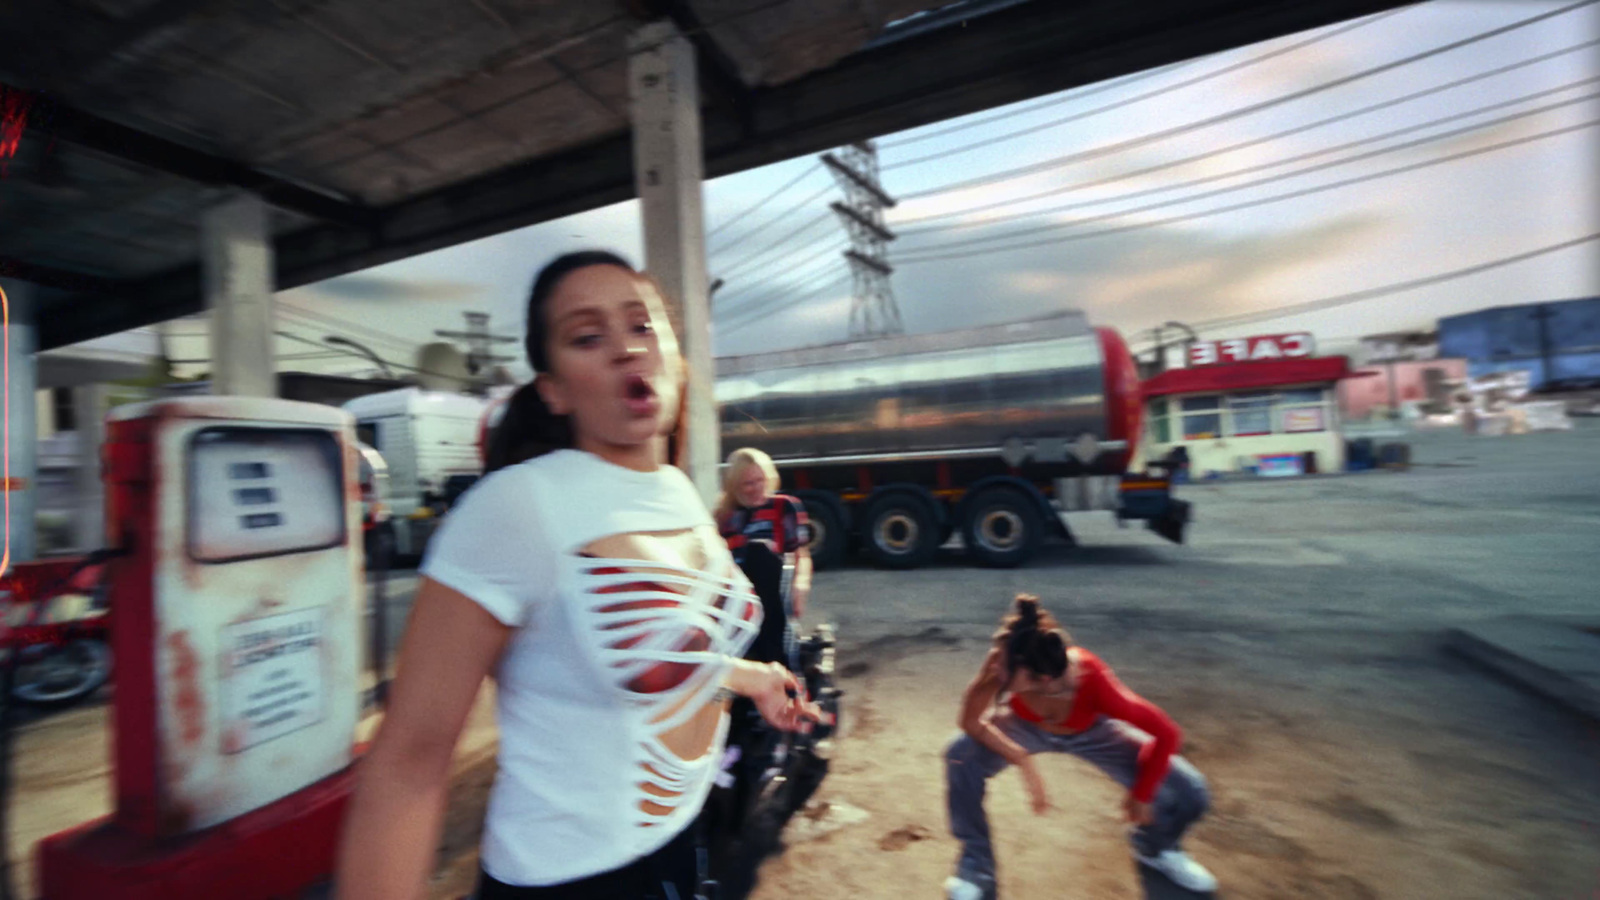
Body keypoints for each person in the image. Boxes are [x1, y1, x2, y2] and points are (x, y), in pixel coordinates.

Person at [335, 250, 828, 900]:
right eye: (588, 337)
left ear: (673, 357)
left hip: (681, 849)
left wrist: (750, 676)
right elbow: (407, 767)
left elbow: (669, 644)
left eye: (642, 327)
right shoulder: (516, 508)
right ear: (554, 389)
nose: (626, 350)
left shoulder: (677, 490)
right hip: (571, 881)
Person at [943, 594, 1215, 899]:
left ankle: (1154, 846)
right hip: (1024, 727)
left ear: (1042, 679)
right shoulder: (1003, 664)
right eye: (997, 656)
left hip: (1092, 733)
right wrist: (1019, 757)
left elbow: (1166, 734)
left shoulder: (1096, 683)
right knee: (959, 756)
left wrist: (1142, 794)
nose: (995, 665)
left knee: (1191, 790)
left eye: (1003, 665)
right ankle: (977, 866)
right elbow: (970, 722)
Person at [714, 447, 812, 670]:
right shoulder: (724, 515)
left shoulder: (784, 506)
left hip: (770, 591)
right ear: (734, 486)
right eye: (748, 483)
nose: (757, 488)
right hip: (734, 593)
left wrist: (801, 583)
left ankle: (776, 666)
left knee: (759, 552)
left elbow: (801, 554)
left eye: (761, 480)